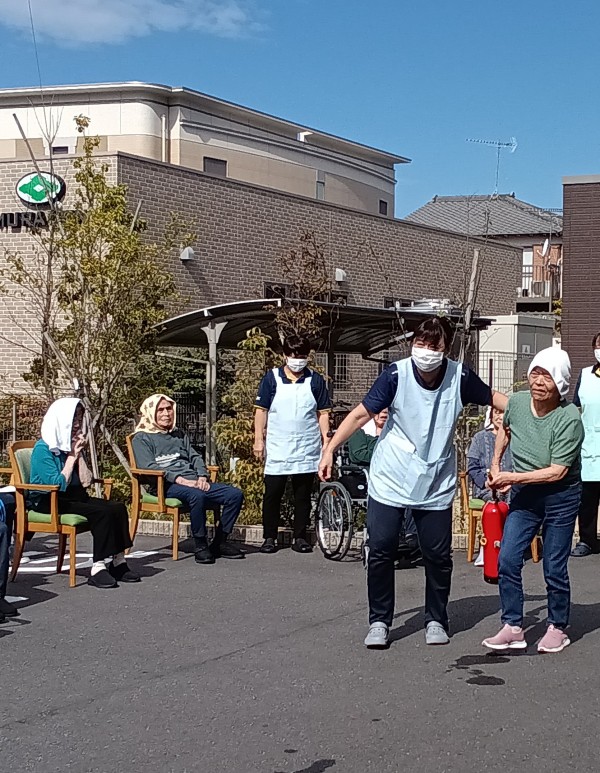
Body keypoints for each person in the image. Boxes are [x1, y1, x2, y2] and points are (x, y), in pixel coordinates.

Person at [319, 316, 506, 648]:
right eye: (420, 343)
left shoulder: (459, 377)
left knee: (437, 555)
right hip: (392, 475)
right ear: (412, 345)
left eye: (434, 345)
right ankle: (379, 621)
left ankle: (436, 618)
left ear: (446, 348)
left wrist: (541, 409)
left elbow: (497, 399)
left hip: (434, 479)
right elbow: (361, 414)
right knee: (381, 549)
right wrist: (330, 448)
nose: (426, 351)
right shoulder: (396, 375)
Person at [483, 347, 583, 654]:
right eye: (535, 373)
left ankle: (558, 626)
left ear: (561, 383)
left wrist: (510, 477)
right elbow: (505, 429)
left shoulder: (569, 418)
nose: (539, 382)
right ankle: (512, 625)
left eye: (547, 376)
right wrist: (495, 465)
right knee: (508, 558)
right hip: (525, 494)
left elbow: (556, 472)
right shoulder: (516, 402)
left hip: (561, 495)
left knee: (553, 564)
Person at [30, 398, 139, 589]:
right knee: (101, 513)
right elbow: (56, 484)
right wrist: (71, 457)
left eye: (79, 420)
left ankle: (118, 562)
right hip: (49, 499)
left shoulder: (71, 445)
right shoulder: (43, 449)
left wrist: (79, 455)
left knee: (118, 508)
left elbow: (87, 481)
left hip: (73, 496)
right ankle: (98, 567)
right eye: (73, 420)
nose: (77, 425)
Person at [132, 394, 244, 564]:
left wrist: (202, 476)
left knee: (234, 495)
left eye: (169, 409)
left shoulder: (178, 434)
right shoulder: (141, 438)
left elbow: (195, 457)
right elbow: (148, 467)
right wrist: (181, 480)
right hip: (165, 485)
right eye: (160, 410)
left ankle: (220, 542)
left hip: (193, 481)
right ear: (150, 413)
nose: (166, 413)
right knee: (196, 495)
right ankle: (200, 544)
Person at [254, 333, 332, 554]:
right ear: (285, 355)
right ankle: (269, 537)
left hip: (306, 446)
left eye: (302, 356)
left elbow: (323, 413)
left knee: (303, 495)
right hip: (278, 446)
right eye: (294, 355)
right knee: (272, 494)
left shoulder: (315, 380)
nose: (298, 360)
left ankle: (300, 537)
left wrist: (326, 442)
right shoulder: (271, 378)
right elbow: (261, 411)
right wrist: (258, 440)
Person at [467, 406, 513, 566]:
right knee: (495, 500)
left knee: (513, 499)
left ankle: (509, 548)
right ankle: (488, 547)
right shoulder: (480, 438)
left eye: (503, 413)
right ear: (491, 415)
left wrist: (511, 482)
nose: (500, 416)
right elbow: (472, 467)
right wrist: (487, 483)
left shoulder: (516, 438)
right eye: (497, 412)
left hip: (512, 484)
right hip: (486, 486)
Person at [571, 331, 600, 557]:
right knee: (587, 499)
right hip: (590, 446)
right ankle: (587, 540)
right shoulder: (585, 375)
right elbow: (575, 407)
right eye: (598, 345)